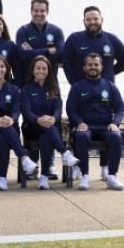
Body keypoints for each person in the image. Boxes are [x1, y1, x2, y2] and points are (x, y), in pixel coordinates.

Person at [0, 55, 39, 191]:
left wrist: (12, 119)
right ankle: (24, 158)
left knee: (2, 137)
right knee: (2, 133)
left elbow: (17, 110)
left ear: (6, 69)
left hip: (9, 124)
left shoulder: (14, 89)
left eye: (2, 66)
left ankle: (2, 179)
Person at [66, 53, 124, 191]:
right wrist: (79, 122)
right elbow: (70, 109)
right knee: (81, 136)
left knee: (116, 137)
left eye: (96, 64)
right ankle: (85, 176)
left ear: (101, 67)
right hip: (86, 126)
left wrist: (115, 122)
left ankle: (112, 176)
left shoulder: (110, 86)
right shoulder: (77, 87)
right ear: (84, 68)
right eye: (90, 65)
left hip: (105, 126)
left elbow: (120, 108)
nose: (93, 67)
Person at [21, 55, 80, 191]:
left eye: (44, 68)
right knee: (45, 131)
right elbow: (26, 110)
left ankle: (44, 178)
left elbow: (58, 108)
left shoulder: (54, 88)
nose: (41, 71)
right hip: (32, 127)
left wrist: (53, 118)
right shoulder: (27, 89)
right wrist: (38, 119)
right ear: (32, 70)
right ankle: (64, 153)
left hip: (50, 127)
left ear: (48, 70)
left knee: (45, 138)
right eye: (38, 68)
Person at [62, 5, 124, 85]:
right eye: (88, 19)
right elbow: (67, 64)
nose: (92, 22)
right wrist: (75, 84)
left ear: (101, 20)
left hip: (106, 91)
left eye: (95, 19)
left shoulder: (112, 39)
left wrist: (109, 74)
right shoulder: (74, 39)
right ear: (84, 21)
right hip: (81, 91)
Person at [15, 0, 65, 88]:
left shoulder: (57, 31)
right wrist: (48, 51)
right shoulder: (23, 31)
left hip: (51, 85)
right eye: (36, 10)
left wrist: (32, 52)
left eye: (42, 11)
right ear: (31, 11)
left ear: (47, 12)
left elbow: (60, 56)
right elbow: (22, 55)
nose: (39, 14)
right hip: (28, 85)